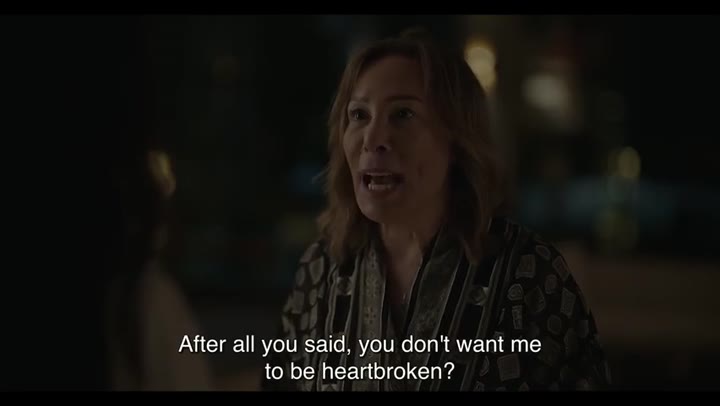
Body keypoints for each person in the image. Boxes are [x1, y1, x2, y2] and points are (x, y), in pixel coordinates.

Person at [261, 29, 611, 391]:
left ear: (457, 139)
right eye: (359, 115)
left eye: (403, 114)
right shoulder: (322, 269)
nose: (373, 138)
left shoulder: (529, 275)